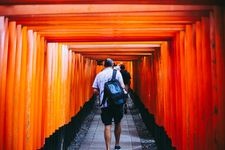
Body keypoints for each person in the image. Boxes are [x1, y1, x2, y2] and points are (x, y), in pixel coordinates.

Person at [92, 58, 126, 150]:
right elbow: (122, 86)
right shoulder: (117, 73)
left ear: (104, 65)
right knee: (118, 122)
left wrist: (101, 93)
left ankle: (108, 148)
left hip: (105, 104)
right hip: (117, 103)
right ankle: (117, 144)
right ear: (112, 65)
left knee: (107, 125)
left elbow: (95, 90)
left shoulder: (99, 75)